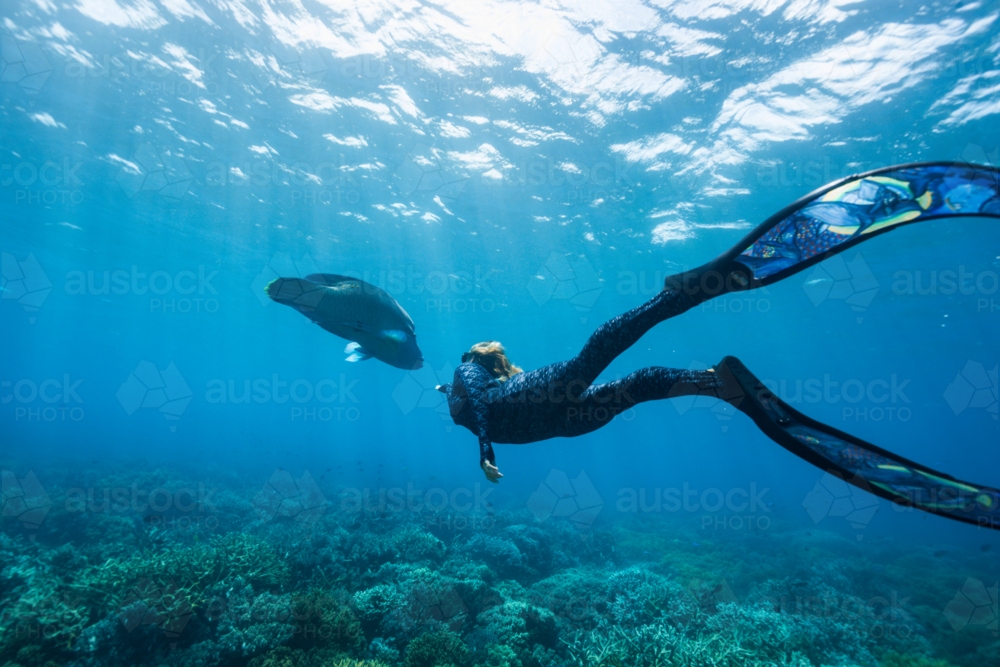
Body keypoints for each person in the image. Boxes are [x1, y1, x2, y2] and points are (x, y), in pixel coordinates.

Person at [435, 162, 1000, 529]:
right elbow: (479, 403)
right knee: (634, 387)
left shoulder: (470, 379)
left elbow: (482, 408)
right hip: (553, 419)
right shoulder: (467, 370)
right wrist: (483, 442)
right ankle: (717, 384)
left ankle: (689, 292)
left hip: (537, 412)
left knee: (597, 363)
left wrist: (485, 452)